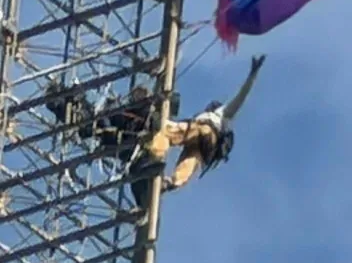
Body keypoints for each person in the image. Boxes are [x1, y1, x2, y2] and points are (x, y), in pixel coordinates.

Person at [146, 55, 266, 192]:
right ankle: (172, 182)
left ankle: (155, 156)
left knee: (168, 132)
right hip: (205, 148)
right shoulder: (217, 120)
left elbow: (240, 98)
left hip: (205, 131)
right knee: (189, 161)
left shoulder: (221, 114)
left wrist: (252, 75)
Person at [45, 82, 157, 207]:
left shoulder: (146, 113)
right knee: (90, 121)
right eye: (137, 95)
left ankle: (145, 199)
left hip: (133, 146)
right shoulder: (124, 112)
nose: (138, 97)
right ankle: (62, 98)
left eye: (141, 95)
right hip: (124, 144)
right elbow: (104, 123)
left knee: (139, 167)